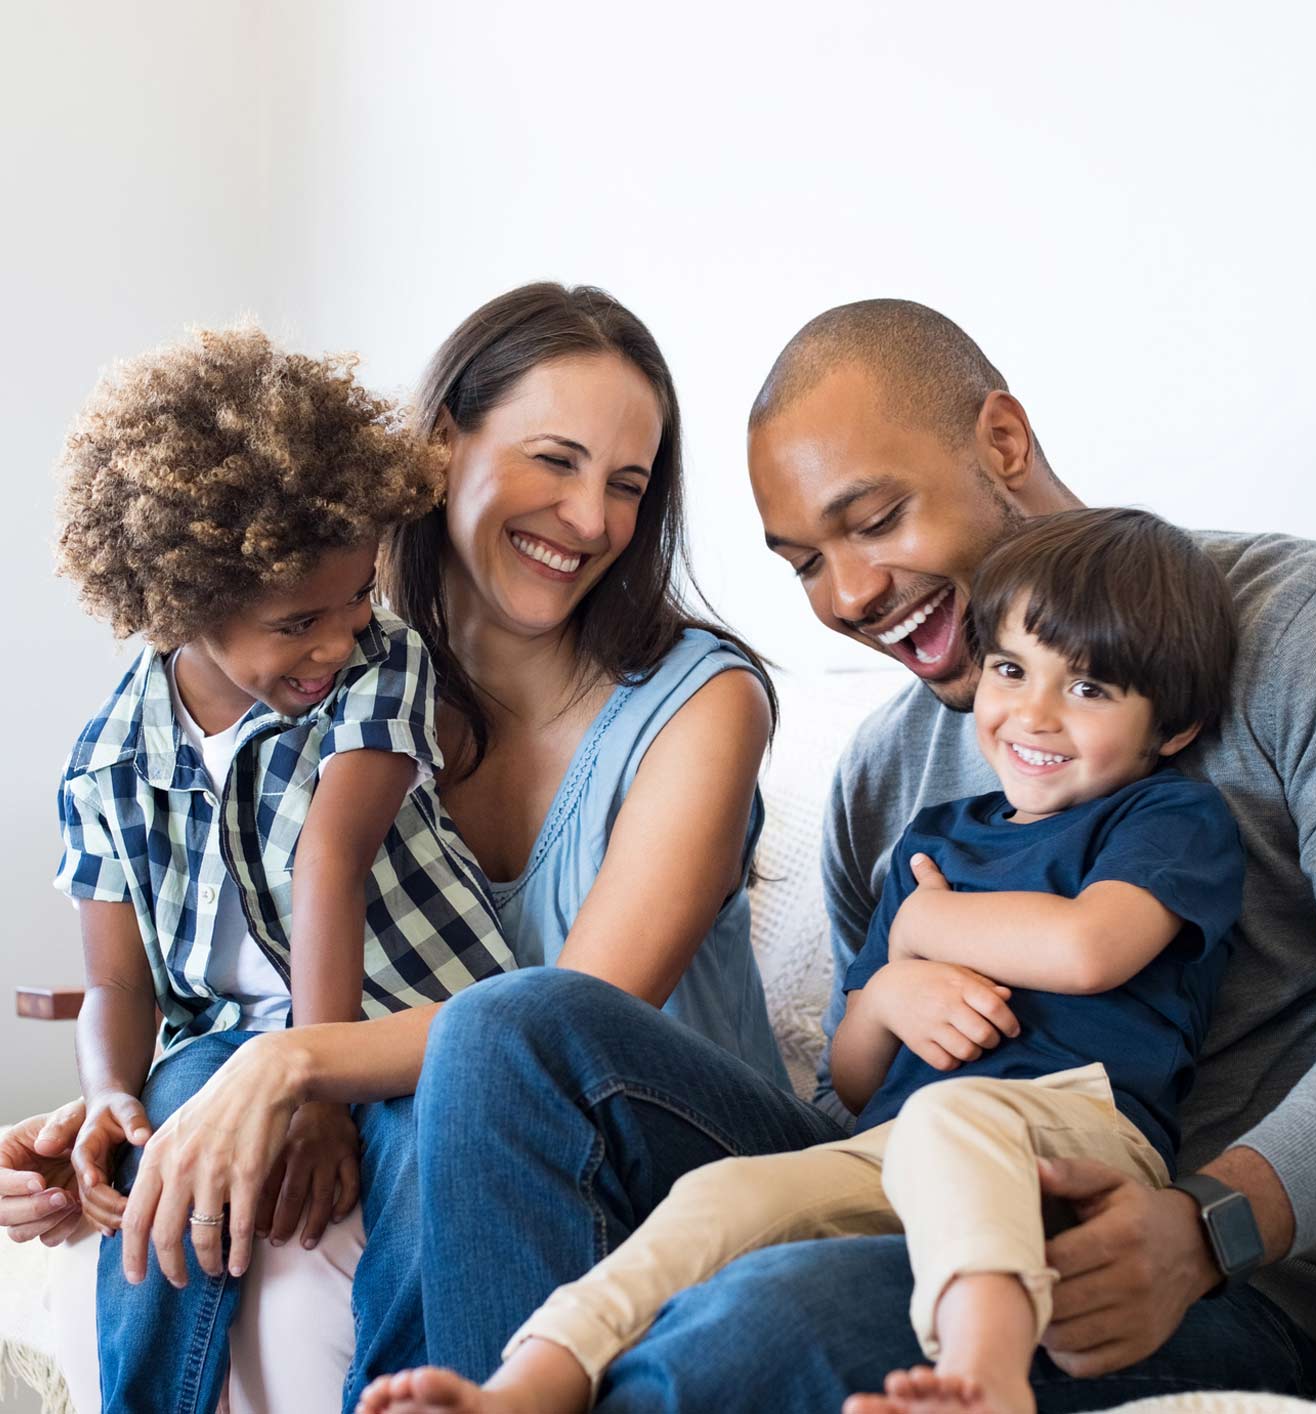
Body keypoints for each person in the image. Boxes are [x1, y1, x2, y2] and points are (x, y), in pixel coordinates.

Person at [341, 297, 1316, 1412]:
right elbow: (860, 1094)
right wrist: (892, 988)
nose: (848, 597)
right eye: (804, 561)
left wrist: (1208, 1226)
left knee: (753, 1319)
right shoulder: (887, 773)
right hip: (914, 1182)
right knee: (508, 1024)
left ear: (1000, 443)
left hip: (1183, 1270)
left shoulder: (1306, 627)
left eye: (877, 518)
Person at [0, 284, 790, 1411]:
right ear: (437, 448)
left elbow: (565, 1023)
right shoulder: (319, 677)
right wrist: (115, 1110)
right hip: (441, 1124)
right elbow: (230, 965)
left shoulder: (698, 704)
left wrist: (293, 1065)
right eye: (554, 461)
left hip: (652, 1149)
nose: (590, 519)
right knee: (213, 1164)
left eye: (627, 484)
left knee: (457, 1097)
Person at [356, 506, 1244, 1414]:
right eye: (1012, 670)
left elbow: (1090, 948)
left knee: (954, 1120)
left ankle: (984, 1381)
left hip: (1074, 1138)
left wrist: (925, 931)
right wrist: (892, 986)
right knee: (722, 1196)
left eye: (1090, 691)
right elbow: (854, 1079)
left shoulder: (1166, 818)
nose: (1035, 714)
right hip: (893, 1148)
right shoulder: (936, 842)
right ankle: (527, 1383)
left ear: (1171, 730)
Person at [51, 324, 514, 1414]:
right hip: (220, 1043)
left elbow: (329, 862)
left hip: (407, 1019)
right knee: (163, 1147)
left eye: (356, 596)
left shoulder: (377, 665)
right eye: (298, 621)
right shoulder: (109, 760)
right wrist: (108, 1096)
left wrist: (316, 1081)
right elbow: (119, 982)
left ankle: (406, 1395)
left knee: (423, 1161)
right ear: (182, 605)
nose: (338, 637)